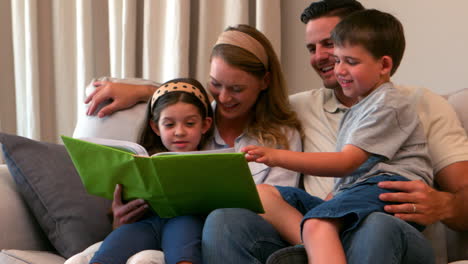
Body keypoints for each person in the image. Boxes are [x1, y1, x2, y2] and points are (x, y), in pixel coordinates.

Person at [85, 1, 468, 263]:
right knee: (231, 213)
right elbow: (226, 93)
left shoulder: (420, 104)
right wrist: (145, 91)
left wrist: (447, 205)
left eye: (334, 46)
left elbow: (463, 193)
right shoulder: (299, 106)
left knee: (374, 226)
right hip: (315, 228)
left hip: (387, 226)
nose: (324, 58)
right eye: (314, 47)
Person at [75, 24, 302, 263]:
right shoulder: (193, 121)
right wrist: (120, 218)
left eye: (236, 89)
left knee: (212, 222)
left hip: (241, 235)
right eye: (216, 84)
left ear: (264, 81)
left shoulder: (281, 136)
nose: (223, 98)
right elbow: (178, 101)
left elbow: (278, 205)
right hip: (164, 227)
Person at [243, 9, 433, 264]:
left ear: (384, 65)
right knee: (262, 194)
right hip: (359, 189)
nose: (340, 70)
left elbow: (346, 163)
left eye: (351, 62)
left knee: (317, 225)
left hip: (387, 189)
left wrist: (277, 157)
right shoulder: (361, 106)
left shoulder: (388, 104)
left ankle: (318, 243)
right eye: (339, 60)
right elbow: (349, 178)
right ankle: (319, 247)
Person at [90, 77, 214, 264]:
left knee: (184, 248)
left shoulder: (212, 160)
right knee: (108, 251)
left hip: (185, 220)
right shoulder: (144, 159)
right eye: (169, 124)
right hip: (144, 223)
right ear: (156, 127)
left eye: (189, 124)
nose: (179, 132)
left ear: (205, 125)